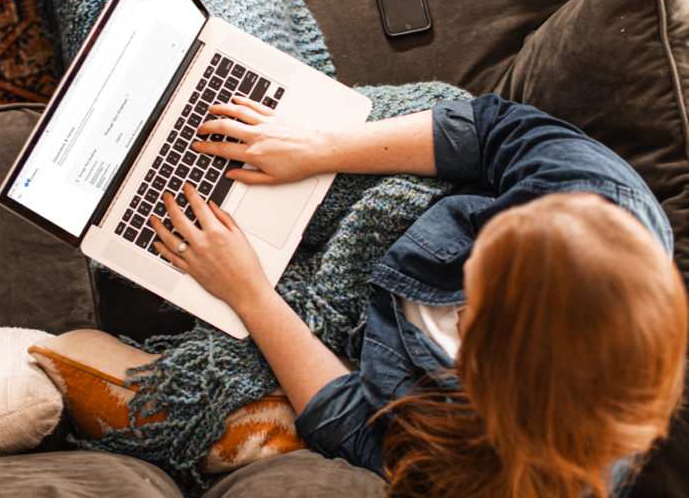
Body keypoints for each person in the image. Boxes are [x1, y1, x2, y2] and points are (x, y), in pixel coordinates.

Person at [148, 93, 689, 498]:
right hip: (403, 180)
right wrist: (319, 148)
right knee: (222, 110)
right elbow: (488, 129)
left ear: (482, 360)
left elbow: (356, 427)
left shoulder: (492, 474)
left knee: (155, 245)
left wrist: (252, 297)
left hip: (325, 313)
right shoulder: (604, 205)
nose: (475, 247)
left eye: (483, 275)